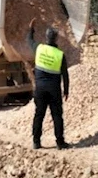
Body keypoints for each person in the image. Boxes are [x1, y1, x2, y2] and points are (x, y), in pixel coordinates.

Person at [27, 18, 70, 150]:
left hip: (40, 89)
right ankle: (60, 142)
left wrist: (31, 29)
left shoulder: (39, 49)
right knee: (57, 116)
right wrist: (66, 91)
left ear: (46, 38)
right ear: (56, 39)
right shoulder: (60, 55)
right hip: (54, 90)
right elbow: (65, 75)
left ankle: (36, 141)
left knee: (39, 114)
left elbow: (29, 41)